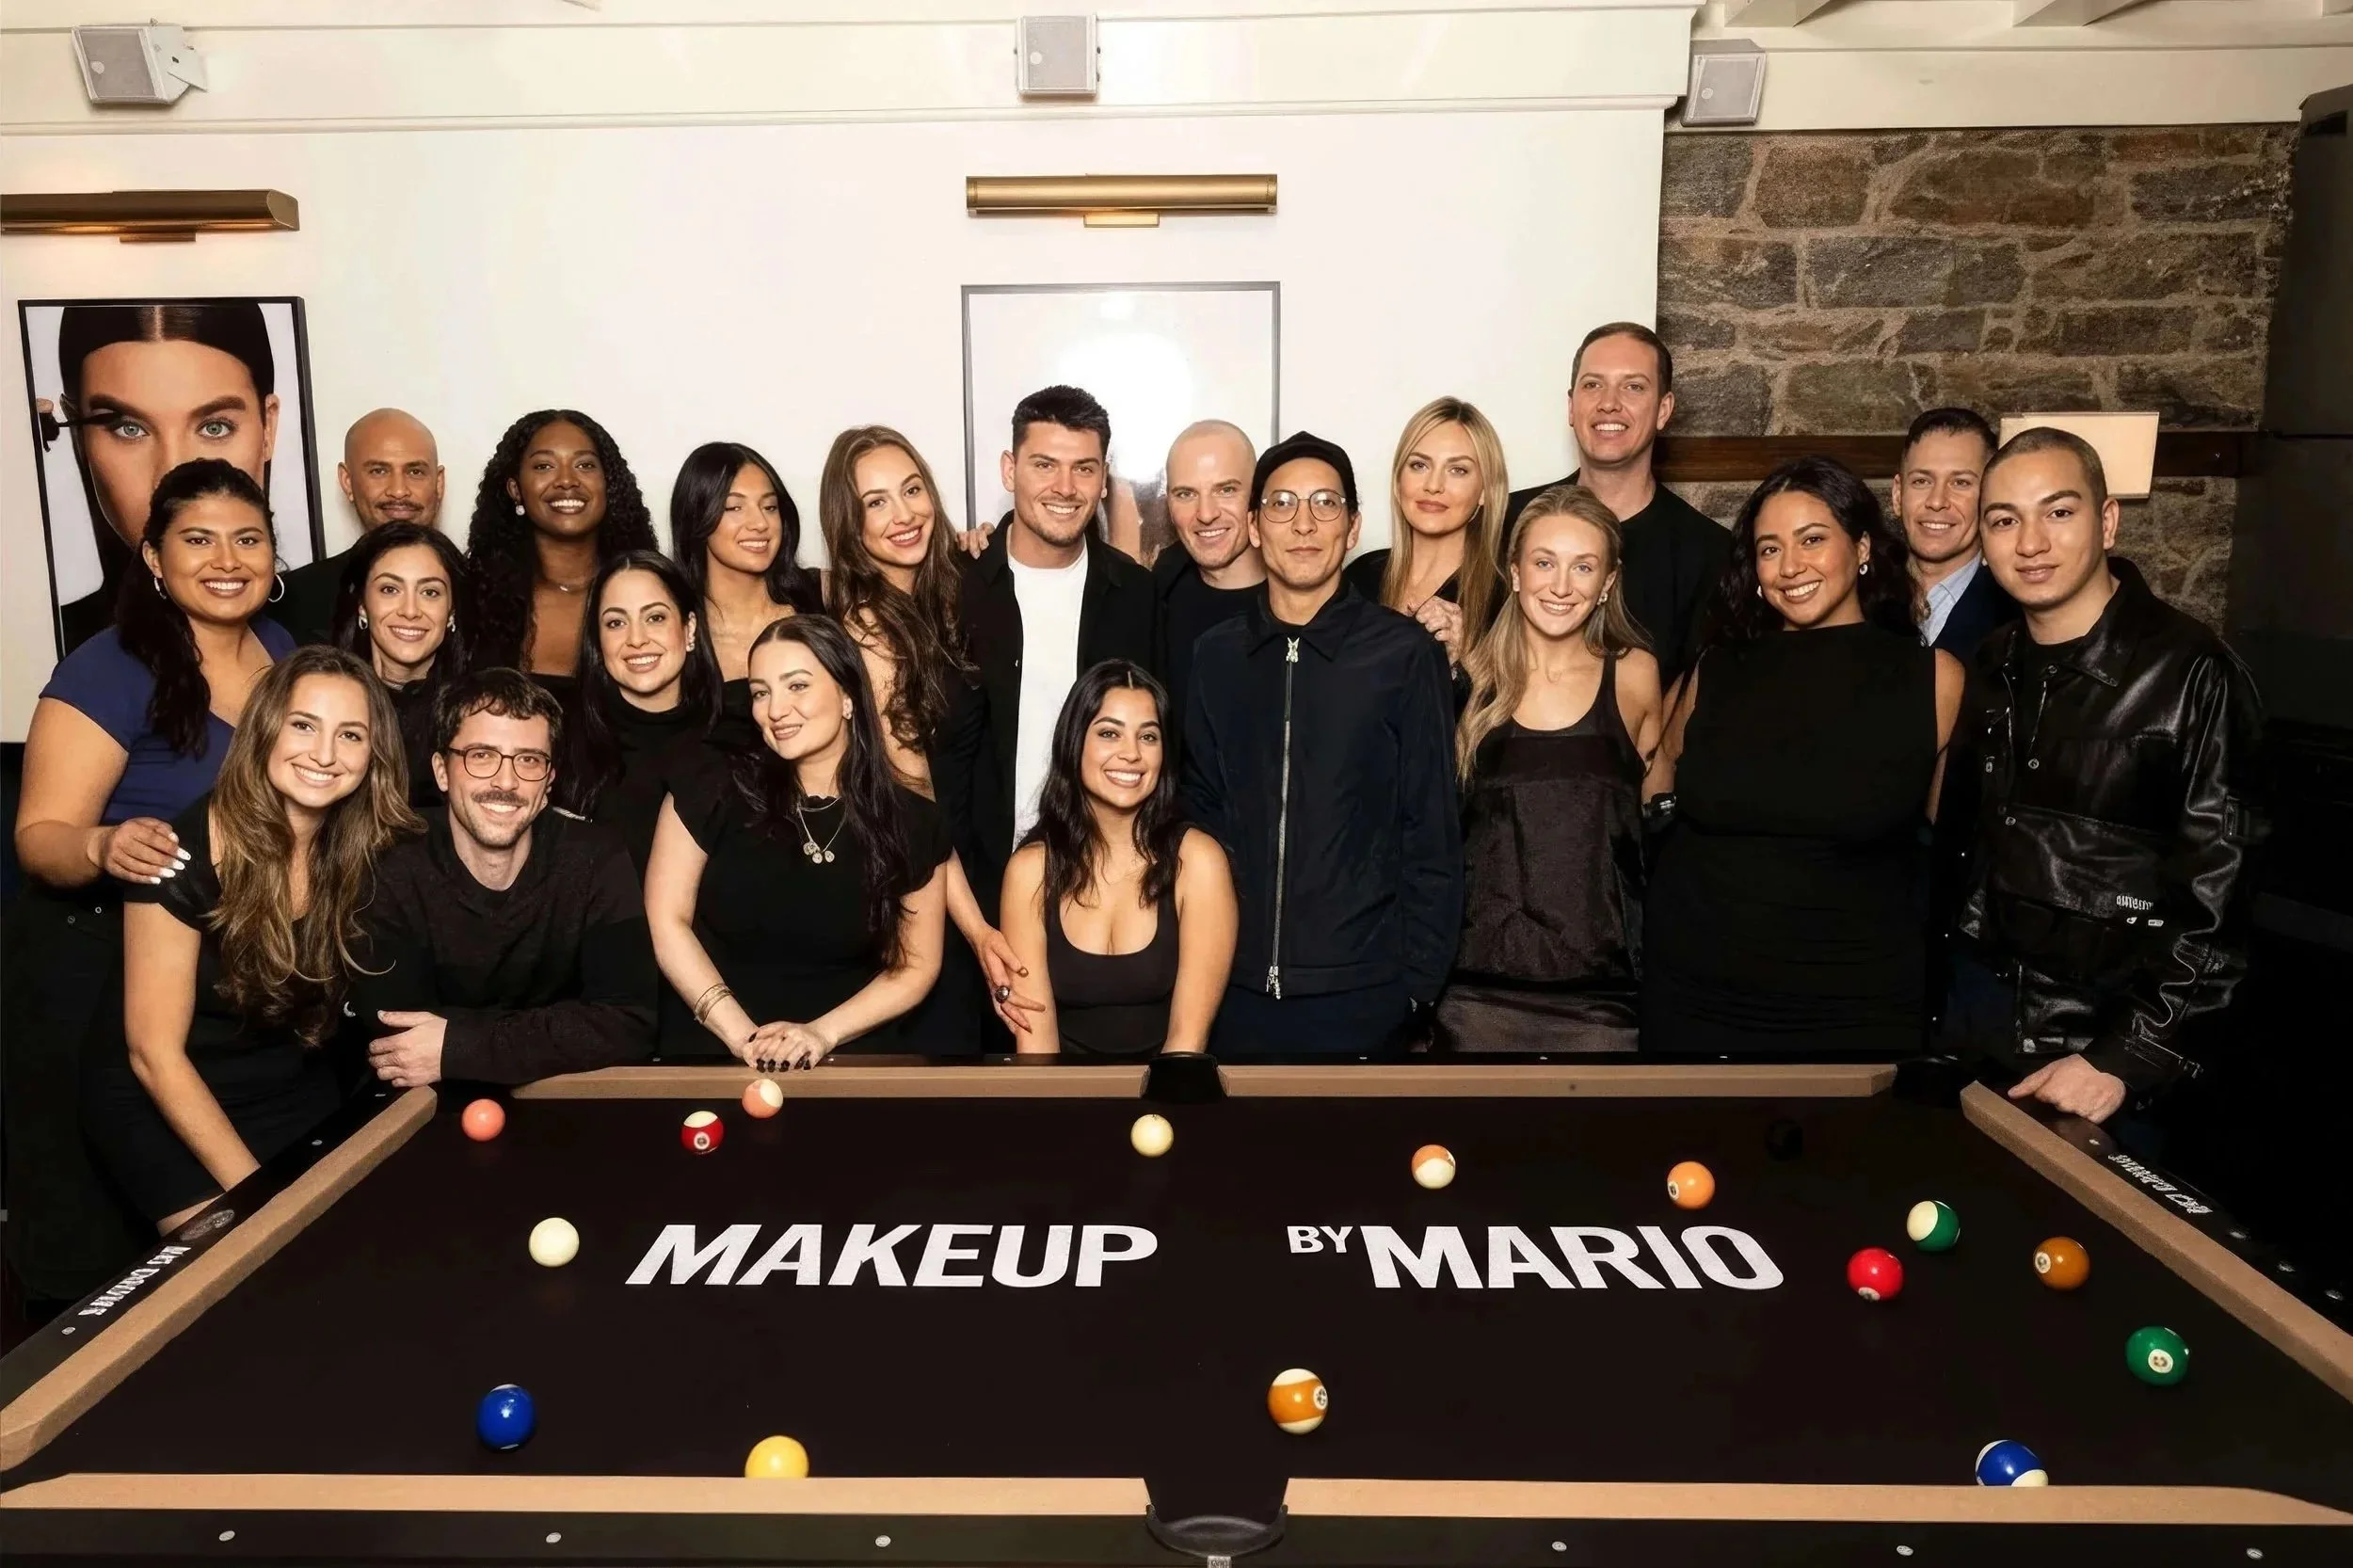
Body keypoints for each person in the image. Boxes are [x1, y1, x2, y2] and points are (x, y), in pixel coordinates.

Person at [7, 458, 297, 1306]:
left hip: (203, 967)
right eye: (197, 539)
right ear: (154, 558)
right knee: (92, 1239)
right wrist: (101, 846)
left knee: (200, 1240)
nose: (227, 558)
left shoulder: (279, 653)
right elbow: (38, 836)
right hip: (87, 962)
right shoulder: (111, 665)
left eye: (248, 538)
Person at [1942, 427, 2265, 1129]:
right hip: (1977, 1029)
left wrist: (2126, 1056)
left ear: (2108, 519)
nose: (2031, 543)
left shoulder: (2192, 673)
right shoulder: (1993, 662)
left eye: (2058, 512)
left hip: (2102, 1061)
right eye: (2005, 520)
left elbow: (2222, 904)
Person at [85, 648, 420, 1230]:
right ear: (265, 729)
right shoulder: (178, 852)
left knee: (342, 1249)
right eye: (303, 725)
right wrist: (262, 1195)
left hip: (287, 1079)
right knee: (249, 1262)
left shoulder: (366, 847)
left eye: (350, 735)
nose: (323, 754)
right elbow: (153, 1054)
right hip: (165, 1096)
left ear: (374, 755)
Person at [1642, 456, 1964, 1057]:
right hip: (1693, 996)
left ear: (1862, 546)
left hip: (1854, 1006)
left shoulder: (1932, 680)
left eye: (1812, 540)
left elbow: (1957, 847)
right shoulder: (1719, 667)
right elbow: (1658, 775)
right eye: (1769, 549)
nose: (1790, 567)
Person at [1183, 431, 1463, 1057]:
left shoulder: (1403, 655)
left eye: (1325, 504)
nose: (1303, 523)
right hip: (1233, 988)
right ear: (1254, 527)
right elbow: (1196, 816)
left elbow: (1433, 831)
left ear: (1354, 525)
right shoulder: (1216, 656)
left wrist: (1417, 990)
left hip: (1368, 995)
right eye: (1281, 504)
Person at [645, 616, 952, 1065]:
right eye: (761, 692)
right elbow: (667, 921)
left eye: (798, 686)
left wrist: (820, 1035)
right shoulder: (707, 788)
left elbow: (916, 966)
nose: (775, 709)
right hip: (716, 1051)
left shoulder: (913, 821)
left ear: (847, 696)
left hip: (846, 1056)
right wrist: (743, 1037)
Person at [353, 669, 659, 1089]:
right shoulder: (390, 863)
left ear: (549, 782)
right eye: (481, 755)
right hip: (423, 1116)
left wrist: (459, 1045)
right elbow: (397, 1044)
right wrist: (566, 1028)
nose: (506, 781)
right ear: (442, 771)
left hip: (561, 1109)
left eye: (529, 760)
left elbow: (631, 1022)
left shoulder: (596, 858)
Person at [1442, 485, 1662, 1052]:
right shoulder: (1469, 682)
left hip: (1604, 1000)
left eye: (1583, 566)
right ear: (1514, 572)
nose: (1561, 586)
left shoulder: (1635, 674)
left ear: (1608, 581)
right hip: (1476, 995)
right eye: (1544, 562)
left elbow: (1654, 836)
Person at [955, 385, 1157, 890]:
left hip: (1106, 882)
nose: (1065, 487)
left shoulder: (1137, 595)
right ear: (1009, 469)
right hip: (978, 879)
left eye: (1084, 469)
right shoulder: (956, 585)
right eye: (1044, 465)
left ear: (1103, 479)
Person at [1000, 662, 1237, 1059]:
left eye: (1148, 736)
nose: (1131, 754)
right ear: (1075, 742)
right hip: (1063, 1104)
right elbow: (1035, 1046)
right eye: (1109, 733)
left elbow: (1187, 1043)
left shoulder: (1198, 861)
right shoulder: (1030, 871)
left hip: (1166, 1101)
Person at [39, 303, 281, 653]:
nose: (172, 476)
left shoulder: (309, 633)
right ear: (79, 438)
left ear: (268, 427)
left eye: (214, 427)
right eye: (129, 428)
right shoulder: (70, 662)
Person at [1505, 323, 1726, 685]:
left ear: (1663, 409)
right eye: (1593, 385)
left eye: (1634, 387)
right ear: (1572, 407)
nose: (1609, 403)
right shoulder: (1507, 520)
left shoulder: (1710, 554)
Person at [462, 409, 658, 701]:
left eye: (585, 465)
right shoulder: (473, 594)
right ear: (515, 489)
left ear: (607, 483)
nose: (567, 480)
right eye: (544, 466)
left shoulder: (652, 591)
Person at [558, 551, 722, 872]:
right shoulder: (562, 743)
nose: (637, 639)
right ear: (598, 640)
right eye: (616, 623)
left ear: (689, 630)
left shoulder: (732, 739)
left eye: (655, 618)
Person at [668, 440, 824, 744]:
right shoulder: (673, 629)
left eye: (769, 507)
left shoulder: (823, 596)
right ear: (697, 516)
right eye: (734, 507)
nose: (760, 523)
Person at [1344, 397, 1510, 667]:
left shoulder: (1505, 598)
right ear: (1399, 481)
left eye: (1458, 470)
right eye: (1419, 465)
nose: (1433, 485)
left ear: (1486, 491)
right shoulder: (1361, 578)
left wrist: (1466, 661)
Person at [330, 520, 471, 808]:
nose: (410, 611)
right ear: (362, 604)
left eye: (430, 592)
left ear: (452, 610)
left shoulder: (478, 710)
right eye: (390, 590)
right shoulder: (321, 693)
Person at [280, 409, 445, 645]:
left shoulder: (484, 591)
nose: (398, 490)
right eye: (379, 471)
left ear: (438, 483)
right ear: (347, 482)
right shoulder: (298, 597)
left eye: (415, 472)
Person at [1151, 420, 1265, 728]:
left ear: (1256, 494)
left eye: (1226, 490)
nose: (1206, 513)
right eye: (1186, 494)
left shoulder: (1304, 602)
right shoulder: (1157, 591)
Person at [1896, 407, 2018, 659]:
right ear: (1898, 495)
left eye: (1960, 482)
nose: (1937, 501)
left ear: (1989, 497)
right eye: (1922, 481)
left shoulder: (2019, 615)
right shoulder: (1858, 596)